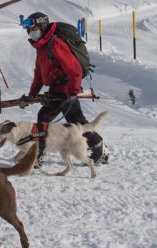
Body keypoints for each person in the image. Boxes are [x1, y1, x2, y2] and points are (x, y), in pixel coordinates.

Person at [19, 11, 109, 166]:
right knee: (76, 122)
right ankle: (99, 147)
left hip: (65, 87)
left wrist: (73, 92)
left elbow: (74, 69)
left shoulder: (55, 43)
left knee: (44, 119)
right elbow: (39, 74)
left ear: (42, 26)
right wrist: (32, 94)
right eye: (29, 30)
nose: (31, 33)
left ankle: (37, 155)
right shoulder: (41, 47)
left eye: (34, 29)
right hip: (57, 87)